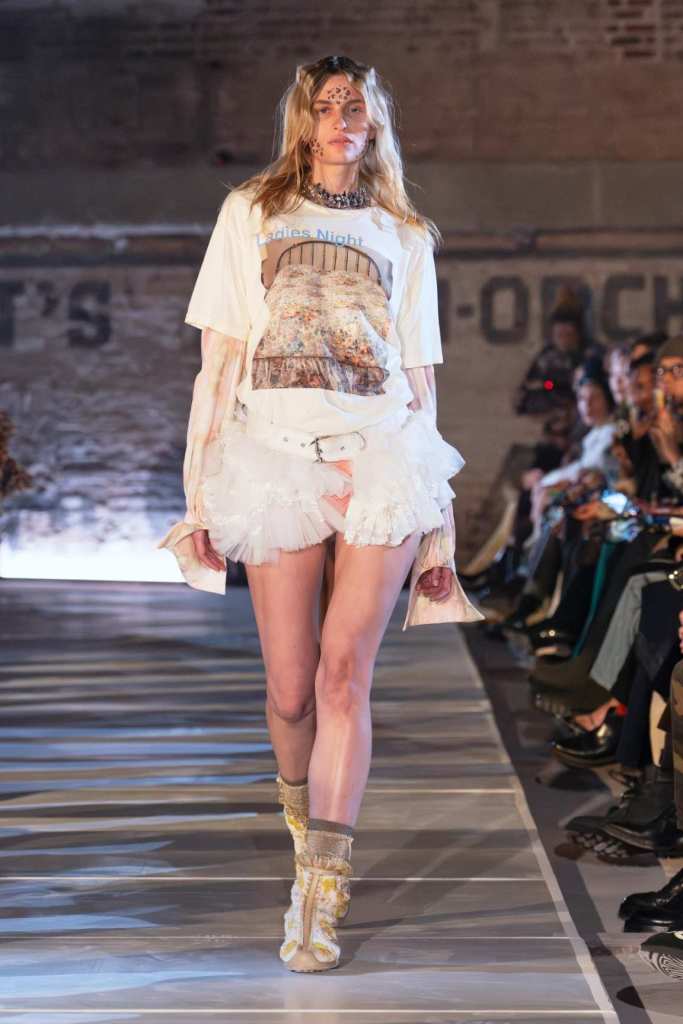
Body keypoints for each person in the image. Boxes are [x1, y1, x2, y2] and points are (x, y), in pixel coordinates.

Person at [157, 54, 483, 973]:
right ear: (301, 121)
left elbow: (419, 379)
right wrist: (199, 493)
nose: (341, 116)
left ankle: (319, 890)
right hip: (274, 455)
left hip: (381, 455)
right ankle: (303, 824)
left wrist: (438, 527)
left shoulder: (404, 232)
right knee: (291, 689)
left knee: (345, 679)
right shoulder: (250, 213)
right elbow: (220, 362)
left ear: (374, 122)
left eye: (355, 105)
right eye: (325, 103)